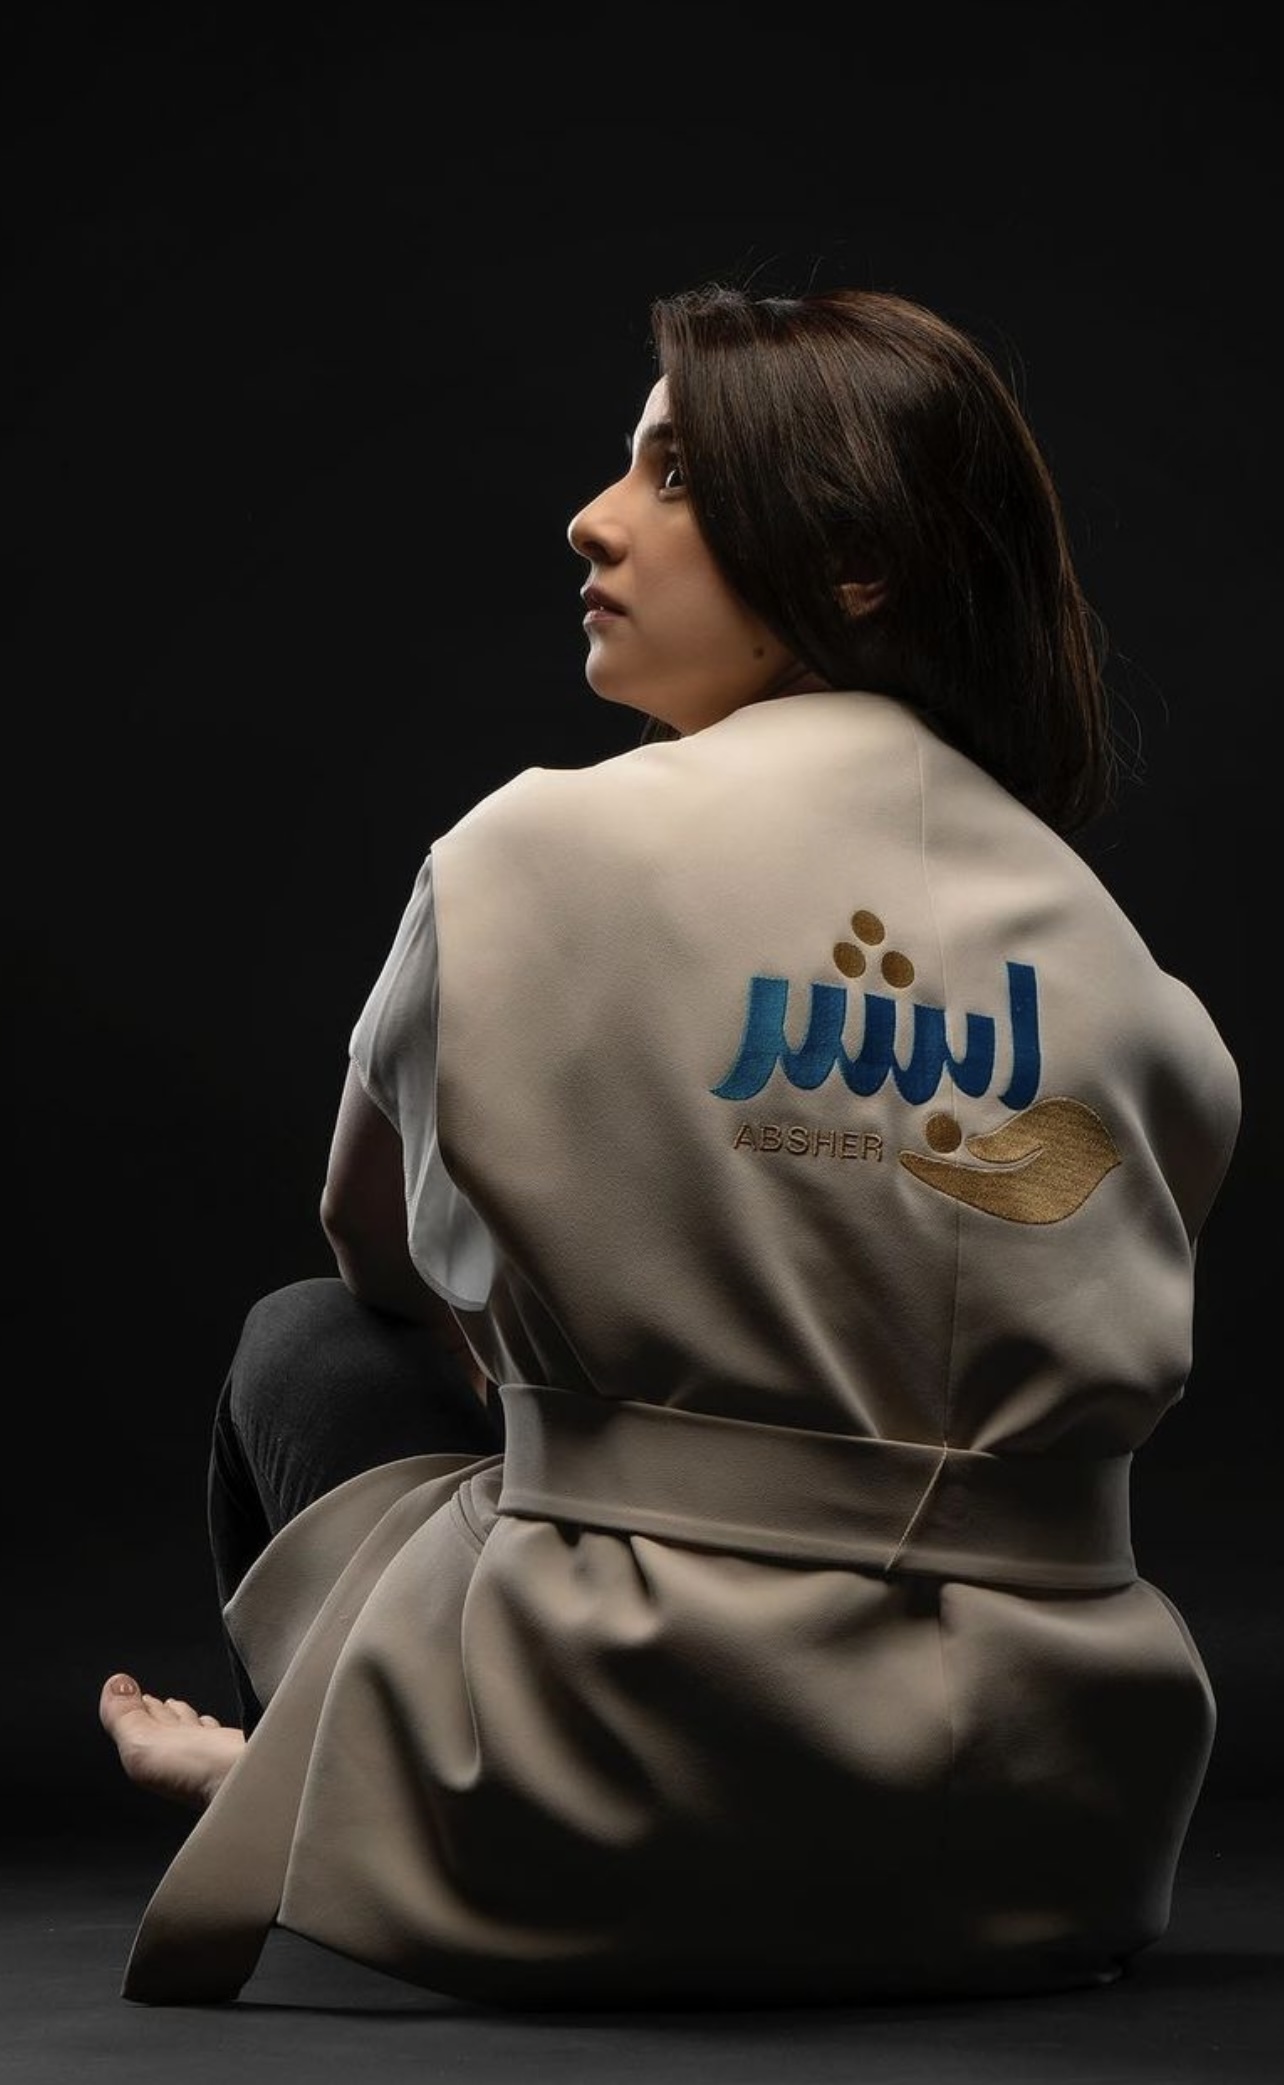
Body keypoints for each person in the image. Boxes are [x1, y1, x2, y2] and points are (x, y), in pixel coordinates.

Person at [99, 279, 1241, 2009]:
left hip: (613, 1803)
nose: (594, 514)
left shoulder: (524, 853)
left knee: (313, 1340)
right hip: (1048, 1833)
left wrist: (585, 1353)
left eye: (676, 474)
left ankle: (318, 1783)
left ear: (852, 567)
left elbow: (371, 1245)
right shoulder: (1136, 982)